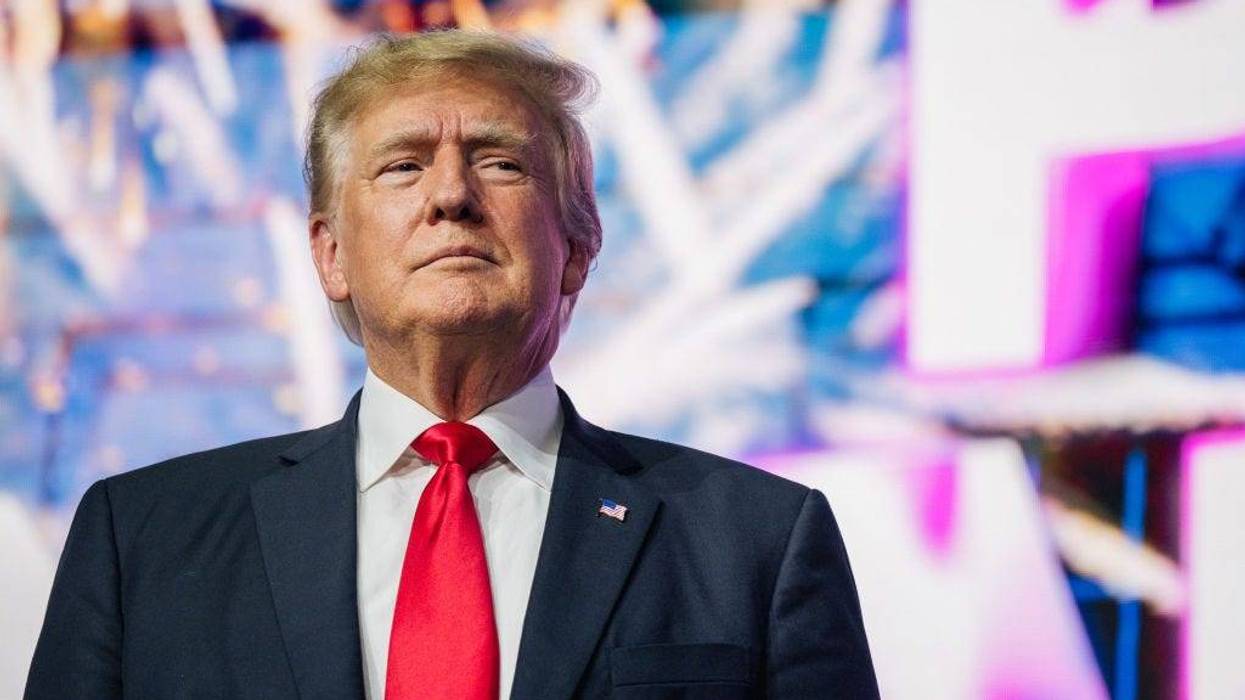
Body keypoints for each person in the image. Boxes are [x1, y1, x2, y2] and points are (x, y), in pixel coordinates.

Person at [25, 30, 879, 699]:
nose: (450, 195)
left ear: (578, 247)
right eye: (402, 166)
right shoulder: (140, 541)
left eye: (499, 162)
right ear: (329, 256)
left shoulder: (757, 542)